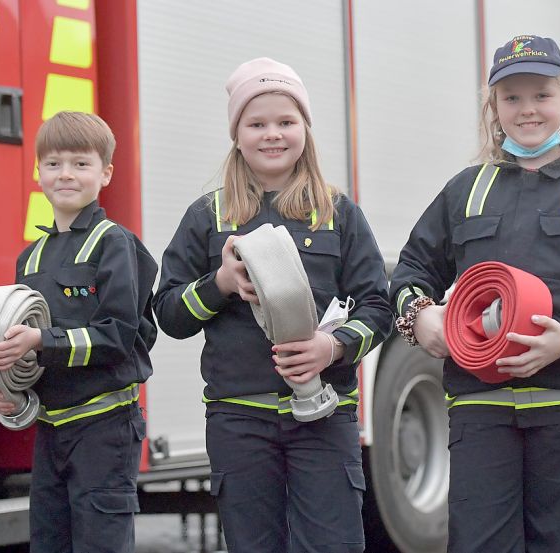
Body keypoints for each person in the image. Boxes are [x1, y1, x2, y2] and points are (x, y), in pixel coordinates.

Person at [390, 35, 560, 552]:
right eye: (512, 97)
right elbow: (408, 273)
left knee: (553, 541)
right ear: (494, 107)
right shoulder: (465, 190)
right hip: (479, 404)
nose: (527, 109)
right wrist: (421, 318)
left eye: (541, 95)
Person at [152, 57, 392, 553]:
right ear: (236, 134)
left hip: (325, 419)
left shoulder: (338, 212)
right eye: (256, 123)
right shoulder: (207, 216)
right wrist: (218, 283)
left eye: (286, 122)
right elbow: (169, 315)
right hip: (238, 422)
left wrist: (333, 348)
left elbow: (378, 308)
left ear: (305, 127)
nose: (272, 134)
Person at [0, 111, 158, 552]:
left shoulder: (113, 243)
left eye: (81, 164)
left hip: (105, 428)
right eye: (54, 163)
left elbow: (118, 337)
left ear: (106, 173)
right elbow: (28, 356)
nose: (66, 174)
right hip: (51, 431)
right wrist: (7, 390)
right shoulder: (30, 259)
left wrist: (42, 340)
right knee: (48, 543)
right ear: (37, 171)